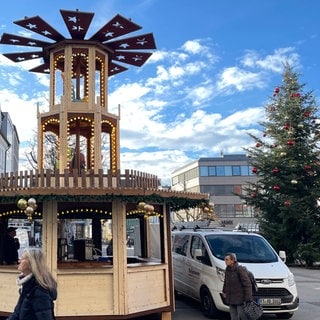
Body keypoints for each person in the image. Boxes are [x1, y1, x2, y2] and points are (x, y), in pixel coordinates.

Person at [7, 248, 57, 320]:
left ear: (31, 263)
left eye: (23, 258)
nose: (19, 261)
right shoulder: (27, 286)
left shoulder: (39, 291)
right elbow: (16, 314)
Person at [222, 252, 253, 320]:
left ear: (233, 261)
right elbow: (226, 282)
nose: (225, 261)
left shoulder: (240, 270)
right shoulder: (228, 270)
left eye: (227, 259)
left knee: (243, 316)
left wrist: (248, 298)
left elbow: (247, 284)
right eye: (225, 259)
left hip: (240, 299)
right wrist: (224, 291)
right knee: (233, 316)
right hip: (231, 298)